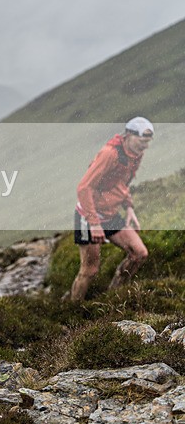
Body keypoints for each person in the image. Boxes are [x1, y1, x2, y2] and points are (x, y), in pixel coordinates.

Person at [67, 117, 154, 301]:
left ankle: (111, 297)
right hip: (88, 216)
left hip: (110, 214)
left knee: (139, 253)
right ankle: (71, 312)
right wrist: (94, 223)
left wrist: (129, 207)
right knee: (90, 269)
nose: (144, 147)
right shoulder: (110, 154)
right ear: (129, 135)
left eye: (147, 143)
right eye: (142, 142)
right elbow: (84, 187)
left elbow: (122, 182)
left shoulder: (135, 155)